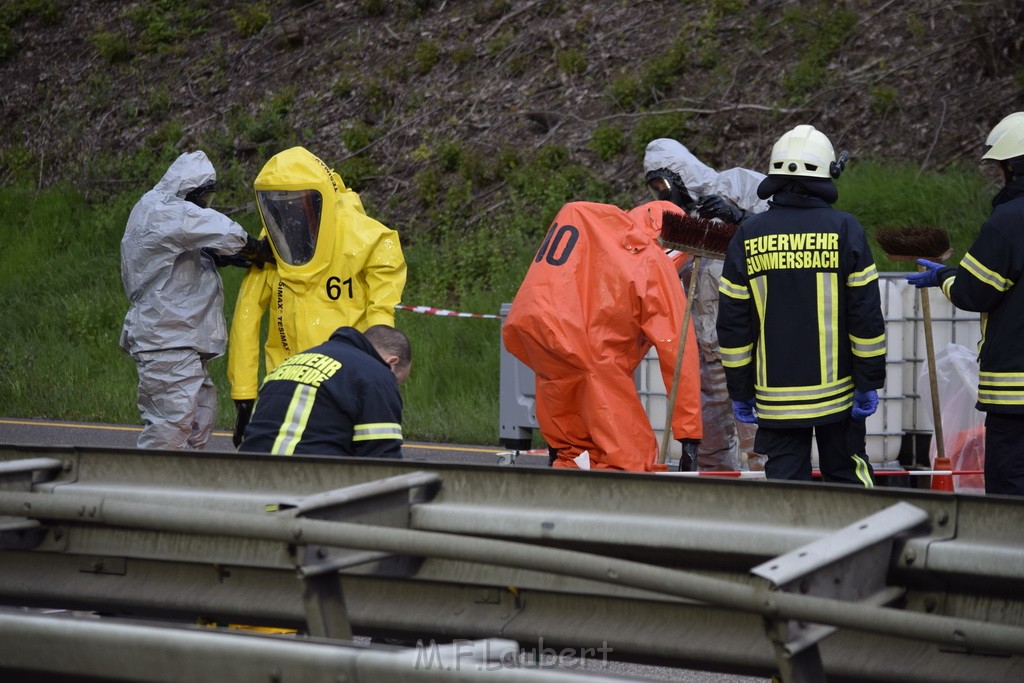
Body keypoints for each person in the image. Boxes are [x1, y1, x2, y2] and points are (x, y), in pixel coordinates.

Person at [716, 125, 886, 485]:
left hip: (775, 399)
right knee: (849, 479)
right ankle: (862, 542)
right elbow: (866, 317)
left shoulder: (748, 235)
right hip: (839, 397)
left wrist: (741, 390)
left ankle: (795, 544)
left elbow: (733, 326)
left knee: (787, 491)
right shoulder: (845, 229)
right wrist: (868, 380)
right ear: (828, 171)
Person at [502, 200, 702, 472]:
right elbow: (679, 353)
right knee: (630, 461)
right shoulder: (653, 262)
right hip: (593, 357)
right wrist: (688, 436)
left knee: (572, 454)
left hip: (539, 338)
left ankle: (563, 506)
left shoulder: (591, 223)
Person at [228, 146, 407, 446]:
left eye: (300, 206)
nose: (292, 219)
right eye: (281, 208)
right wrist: (244, 396)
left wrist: (374, 387)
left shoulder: (369, 240)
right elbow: (246, 317)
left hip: (343, 386)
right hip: (285, 385)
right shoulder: (273, 245)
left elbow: (380, 319)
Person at [119, 150, 272, 450]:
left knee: (198, 424)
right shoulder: (162, 208)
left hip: (179, 342)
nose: (205, 205)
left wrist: (217, 255)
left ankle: (183, 489)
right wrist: (256, 249)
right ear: (188, 190)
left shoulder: (165, 215)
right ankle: (151, 492)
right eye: (204, 198)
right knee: (170, 430)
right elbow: (219, 229)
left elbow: (178, 254)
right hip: (166, 341)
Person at [907, 112, 1024, 496]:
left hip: (1014, 395)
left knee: (1009, 494)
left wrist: (942, 276)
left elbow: (975, 292)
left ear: (1013, 167)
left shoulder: (1008, 221)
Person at [644, 138, 768, 471]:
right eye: (654, 188)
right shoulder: (670, 223)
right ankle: (719, 510)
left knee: (762, 444)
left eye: (663, 184)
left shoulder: (738, 185)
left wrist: (739, 216)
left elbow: (780, 231)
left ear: (678, 174)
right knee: (711, 448)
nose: (661, 193)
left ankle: (771, 510)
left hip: (750, 350)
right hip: (703, 353)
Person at [238, 325, 411, 457]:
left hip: (246, 482)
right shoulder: (376, 375)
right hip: (306, 487)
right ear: (391, 363)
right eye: (396, 381)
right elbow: (382, 459)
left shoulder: (291, 363)